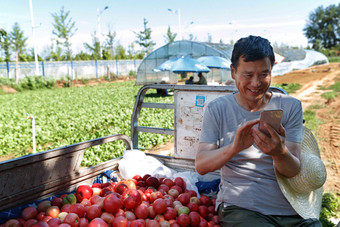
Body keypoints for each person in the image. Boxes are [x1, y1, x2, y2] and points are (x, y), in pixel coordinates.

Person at [195, 35, 325, 226]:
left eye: (264, 74)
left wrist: (279, 153)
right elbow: (202, 165)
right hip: (243, 209)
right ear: (233, 72)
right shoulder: (217, 109)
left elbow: (293, 171)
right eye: (248, 75)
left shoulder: (290, 107)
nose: (256, 83)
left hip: (291, 210)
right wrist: (234, 148)